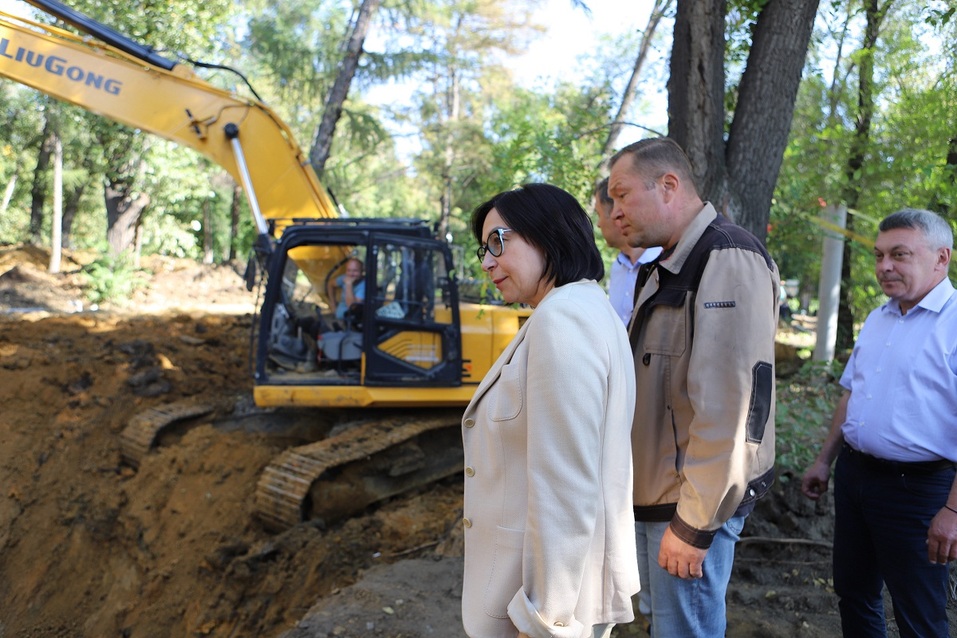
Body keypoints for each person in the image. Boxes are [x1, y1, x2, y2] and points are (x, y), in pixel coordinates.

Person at [607, 137, 779, 638]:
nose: (615, 212)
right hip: (658, 498)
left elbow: (733, 408)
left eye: (622, 195)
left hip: (688, 509)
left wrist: (695, 525)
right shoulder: (667, 265)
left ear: (668, 185)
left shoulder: (726, 257)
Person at [460, 183, 640, 638]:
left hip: (542, 604)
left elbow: (567, 485)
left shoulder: (562, 320)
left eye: (498, 242)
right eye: (484, 249)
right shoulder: (587, 308)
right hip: (563, 589)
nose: (487, 262)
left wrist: (545, 618)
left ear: (549, 235)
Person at [800, 208, 957, 637]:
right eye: (879, 255)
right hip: (855, 478)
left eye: (899, 255)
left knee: (919, 615)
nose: (884, 266)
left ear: (941, 258)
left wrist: (953, 511)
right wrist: (823, 461)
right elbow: (852, 394)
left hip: (918, 491)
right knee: (854, 595)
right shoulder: (878, 317)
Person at [593, 177, 662, 325]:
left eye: (599, 214)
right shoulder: (617, 267)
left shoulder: (664, 261)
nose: (598, 224)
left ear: (616, 214)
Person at [327, 257, 365, 322]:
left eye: (355, 271)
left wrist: (348, 285)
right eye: (349, 270)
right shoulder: (345, 278)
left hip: (351, 322)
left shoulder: (363, 285)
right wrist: (333, 304)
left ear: (361, 271)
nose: (351, 274)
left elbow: (352, 306)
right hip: (337, 317)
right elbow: (330, 284)